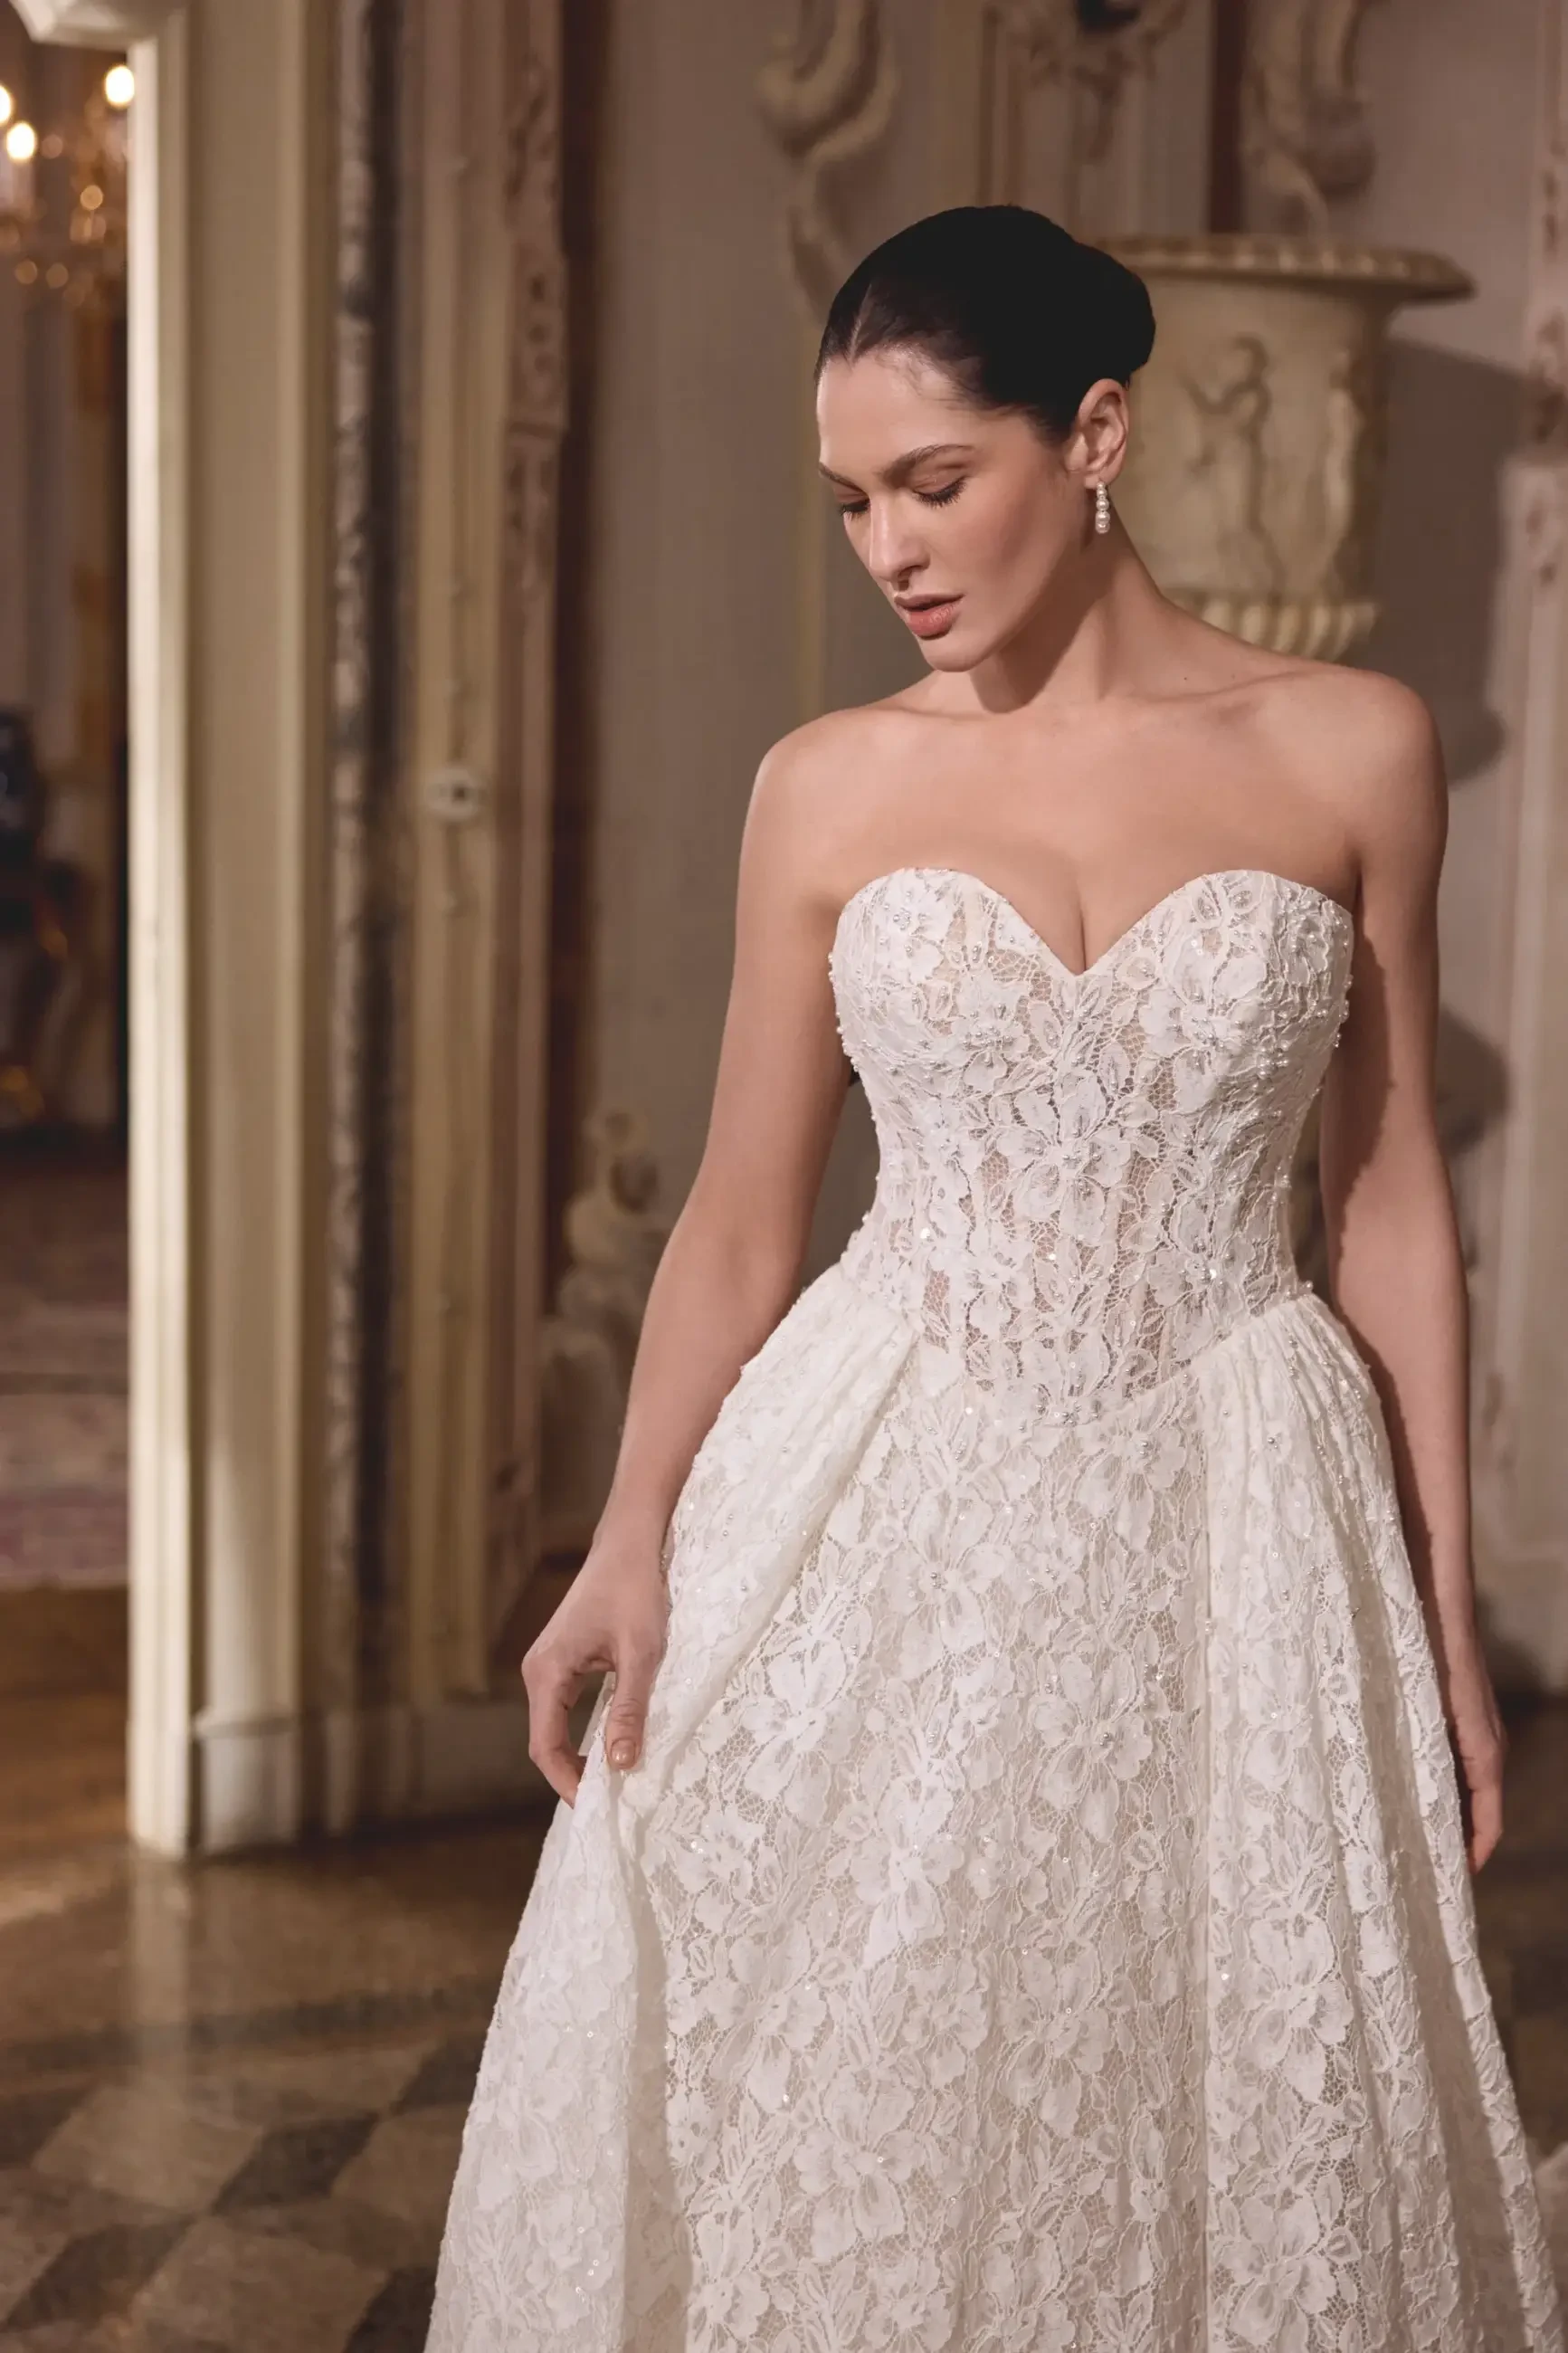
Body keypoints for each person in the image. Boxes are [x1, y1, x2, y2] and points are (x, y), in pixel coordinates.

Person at [426, 205, 1563, 2350]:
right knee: (853, 2044)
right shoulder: (829, 788)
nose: (890, 548)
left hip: (1236, 1489)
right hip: (885, 1462)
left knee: (1218, 2065)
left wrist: (1446, 1593)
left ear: (1097, 431)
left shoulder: (1351, 747)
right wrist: (627, 1534)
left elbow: (1389, 1186)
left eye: (933, 481)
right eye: (851, 501)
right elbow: (746, 1221)